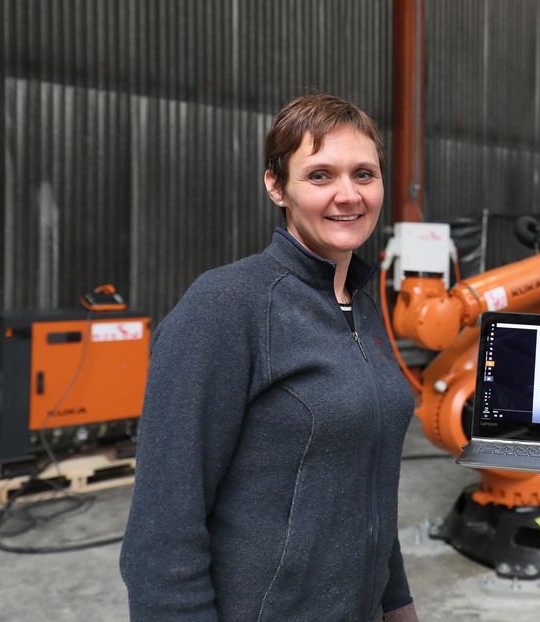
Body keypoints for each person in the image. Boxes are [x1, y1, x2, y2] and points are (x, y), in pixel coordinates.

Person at [119, 93, 419, 622]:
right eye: (320, 175)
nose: (347, 195)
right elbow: (162, 532)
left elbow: (367, 484)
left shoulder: (366, 303)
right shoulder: (225, 307)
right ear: (276, 186)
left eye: (364, 174)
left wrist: (395, 603)